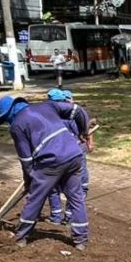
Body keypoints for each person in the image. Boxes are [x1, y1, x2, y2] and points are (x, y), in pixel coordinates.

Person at [0, 94, 90, 250]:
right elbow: (78, 110)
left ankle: (21, 237)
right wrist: (82, 131)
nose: (7, 122)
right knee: (76, 197)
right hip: (74, 155)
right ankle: (81, 240)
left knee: (36, 198)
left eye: (6, 118)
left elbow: (26, 160)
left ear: (10, 113)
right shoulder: (47, 106)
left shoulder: (17, 126)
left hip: (50, 162)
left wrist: (30, 180)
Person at [45, 88, 96, 224]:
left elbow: (85, 130)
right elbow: (85, 130)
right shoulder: (72, 114)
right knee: (77, 186)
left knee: (54, 186)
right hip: (74, 154)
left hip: (60, 155)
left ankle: (58, 217)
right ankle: (68, 216)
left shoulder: (50, 116)